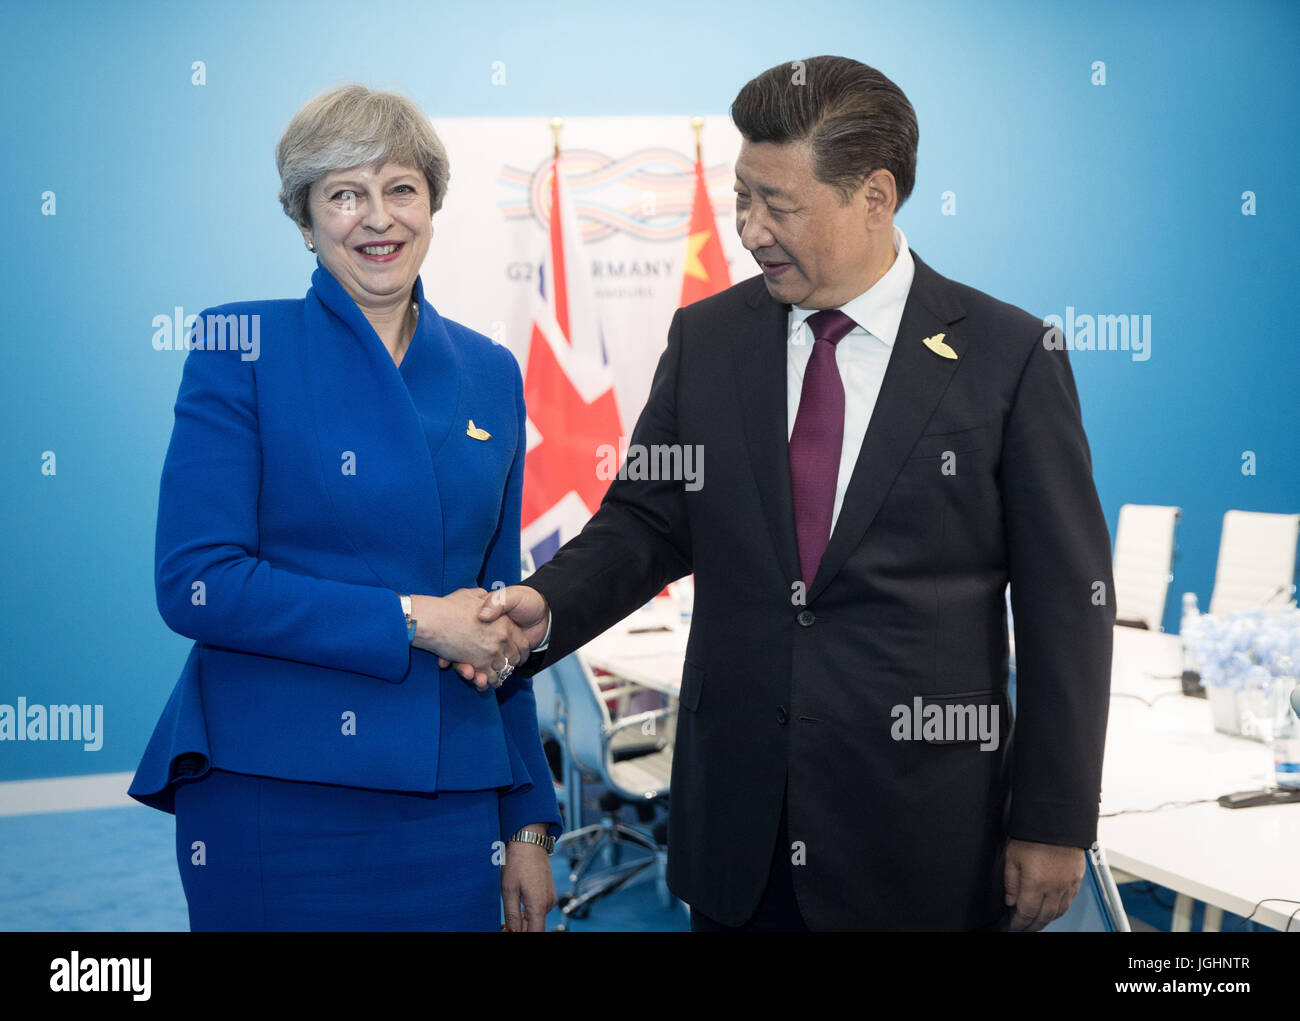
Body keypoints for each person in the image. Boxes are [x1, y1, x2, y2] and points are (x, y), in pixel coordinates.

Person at [465, 56, 1115, 931]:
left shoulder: (1010, 357)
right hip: (742, 834)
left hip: (922, 838)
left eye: (779, 203)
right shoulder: (710, 338)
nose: (749, 228)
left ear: (875, 197)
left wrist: (1053, 819)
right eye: (741, 197)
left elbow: (1066, 609)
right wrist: (547, 602)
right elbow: (647, 521)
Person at [128, 85, 560, 932]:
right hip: (278, 787)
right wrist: (413, 619)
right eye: (343, 193)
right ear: (305, 219)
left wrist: (528, 820)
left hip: (452, 795)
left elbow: (494, 610)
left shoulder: (491, 371)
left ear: (432, 203)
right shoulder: (239, 346)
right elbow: (197, 582)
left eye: (401, 187)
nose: (377, 217)